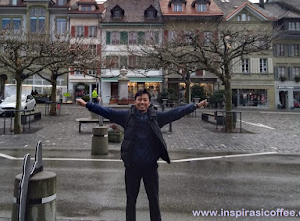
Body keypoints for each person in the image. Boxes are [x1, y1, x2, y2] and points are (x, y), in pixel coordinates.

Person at [76, 89, 208, 221]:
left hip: (150, 167)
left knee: (154, 200)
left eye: (145, 100)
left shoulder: (156, 117)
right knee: (131, 200)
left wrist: (195, 106)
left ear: (149, 102)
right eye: (139, 100)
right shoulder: (126, 116)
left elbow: (176, 113)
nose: (142, 102)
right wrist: (87, 105)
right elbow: (107, 112)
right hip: (132, 166)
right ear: (135, 102)